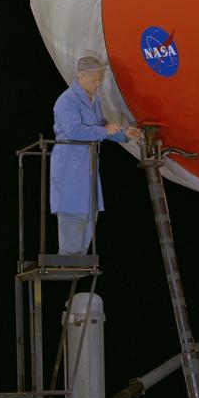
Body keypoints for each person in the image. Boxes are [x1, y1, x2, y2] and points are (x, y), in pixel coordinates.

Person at [50, 55, 139, 255]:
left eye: (99, 79)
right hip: (70, 165)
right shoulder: (66, 101)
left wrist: (125, 133)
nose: (98, 84)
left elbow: (100, 126)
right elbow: (75, 131)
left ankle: (78, 264)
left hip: (87, 165)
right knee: (74, 213)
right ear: (81, 76)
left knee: (90, 213)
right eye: (94, 80)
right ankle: (69, 262)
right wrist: (105, 131)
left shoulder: (94, 100)